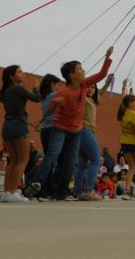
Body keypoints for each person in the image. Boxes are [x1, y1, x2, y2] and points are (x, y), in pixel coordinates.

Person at [27, 47, 113, 200]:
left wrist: (107, 57)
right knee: (52, 154)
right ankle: (37, 182)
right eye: (80, 69)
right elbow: (50, 109)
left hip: (76, 132)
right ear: (72, 75)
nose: (83, 70)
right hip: (60, 129)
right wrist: (52, 108)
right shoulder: (63, 91)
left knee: (70, 162)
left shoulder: (83, 85)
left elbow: (101, 75)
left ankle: (62, 192)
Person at [0, 65, 41, 202]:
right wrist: (36, 87)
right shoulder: (18, 88)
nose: (23, 73)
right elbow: (37, 98)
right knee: (23, 160)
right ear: (12, 76)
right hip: (18, 126)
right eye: (19, 72)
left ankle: (6, 192)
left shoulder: (6, 91)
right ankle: (12, 191)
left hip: (7, 126)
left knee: (14, 161)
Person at [75, 76, 114, 201]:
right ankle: (88, 190)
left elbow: (100, 93)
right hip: (85, 131)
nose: (91, 89)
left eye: (93, 87)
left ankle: (78, 191)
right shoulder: (83, 99)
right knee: (96, 160)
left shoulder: (92, 100)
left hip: (82, 133)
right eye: (88, 87)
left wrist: (107, 83)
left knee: (82, 164)